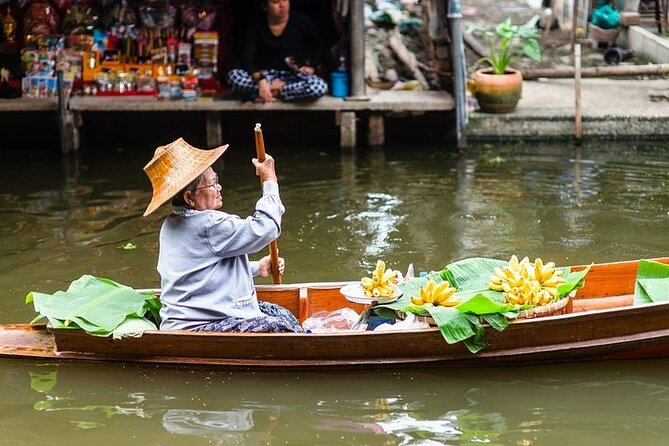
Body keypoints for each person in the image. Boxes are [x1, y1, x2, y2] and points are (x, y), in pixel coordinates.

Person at [142, 137, 302, 333]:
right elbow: (266, 227)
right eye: (213, 183)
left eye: (217, 180)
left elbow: (200, 272)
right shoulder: (210, 224)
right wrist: (270, 180)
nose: (219, 188)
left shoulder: (170, 223)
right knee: (280, 327)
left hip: (183, 321)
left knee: (279, 312)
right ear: (189, 197)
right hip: (200, 326)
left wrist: (257, 268)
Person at [227, 0, 328, 103]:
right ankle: (273, 91)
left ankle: (271, 93)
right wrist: (261, 80)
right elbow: (247, 58)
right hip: (264, 75)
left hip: (293, 76)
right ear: (265, 7)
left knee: (318, 87)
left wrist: (312, 66)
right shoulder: (256, 24)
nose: (282, 5)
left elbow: (319, 46)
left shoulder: (300, 20)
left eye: (285, 0)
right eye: (275, 2)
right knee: (234, 76)